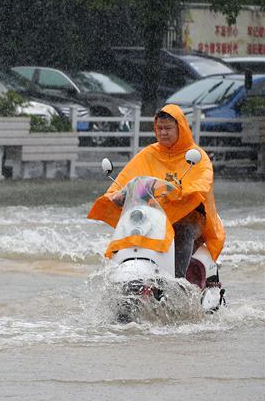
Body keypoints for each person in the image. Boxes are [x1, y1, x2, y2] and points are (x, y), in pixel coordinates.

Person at [88, 103, 225, 279]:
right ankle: (116, 277)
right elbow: (127, 179)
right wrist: (114, 195)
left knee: (183, 229)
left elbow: (202, 182)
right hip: (155, 217)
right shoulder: (148, 154)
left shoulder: (196, 156)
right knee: (131, 230)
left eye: (168, 128)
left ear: (180, 128)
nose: (163, 132)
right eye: (159, 128)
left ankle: (179, 282)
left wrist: (180, 193)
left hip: (191, 217)